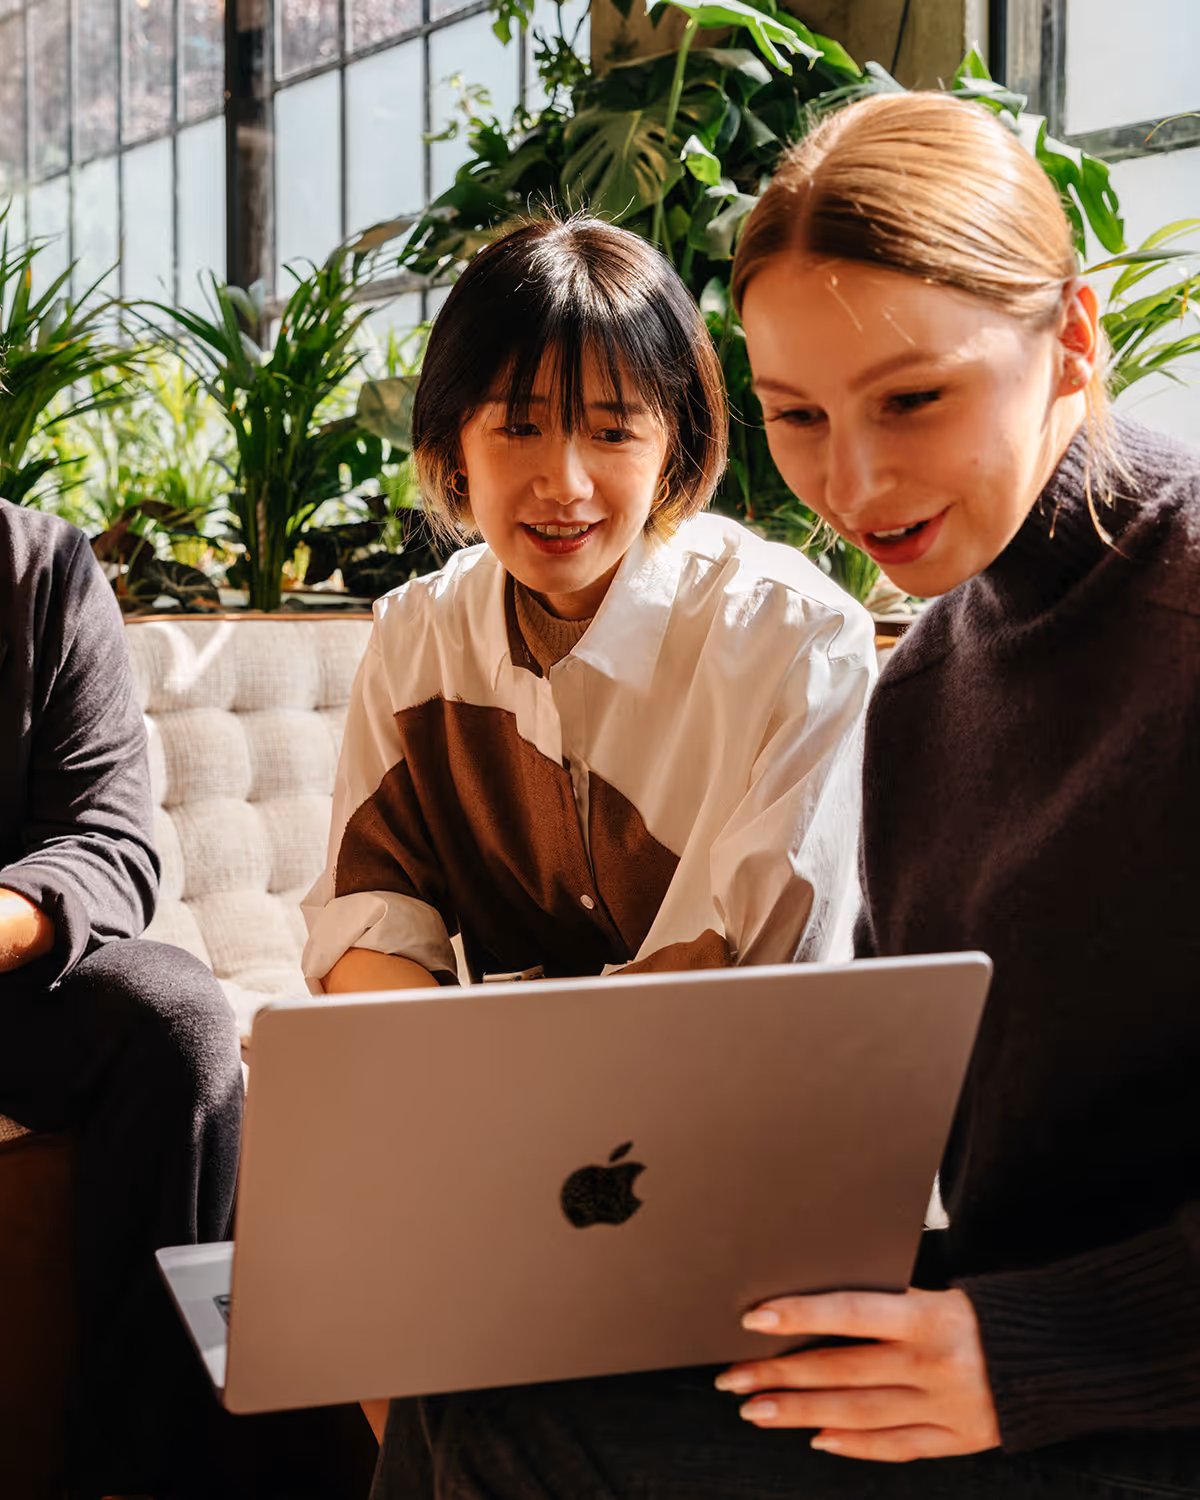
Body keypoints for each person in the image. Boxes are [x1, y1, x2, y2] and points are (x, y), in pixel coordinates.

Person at [366, 96, 1200, 1499]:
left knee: (521, 1433)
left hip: (1118, 1372)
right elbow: (893, 1114)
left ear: (1072, 336)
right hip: (991, 1315)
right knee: (471, 1358)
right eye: (799, 417)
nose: (852, 482)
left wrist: (1030, 1347)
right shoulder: (933, 682)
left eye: (913, 399)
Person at [300, 215, 875, 1000]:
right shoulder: (416, 638)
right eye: (519, 426)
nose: (564, 483)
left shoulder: (797, 644)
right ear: (453, 442)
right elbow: (367, 912)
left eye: (612, 431)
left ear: (674, 443)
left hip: (736, 1095)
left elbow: (757, 972)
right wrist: (453, 1071)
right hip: (489, 1093)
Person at [0, 497, 245, 1497]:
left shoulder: (41, 566)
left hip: (6, 976)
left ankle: (142, 1474)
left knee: (174, 1019)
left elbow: (108, 842)